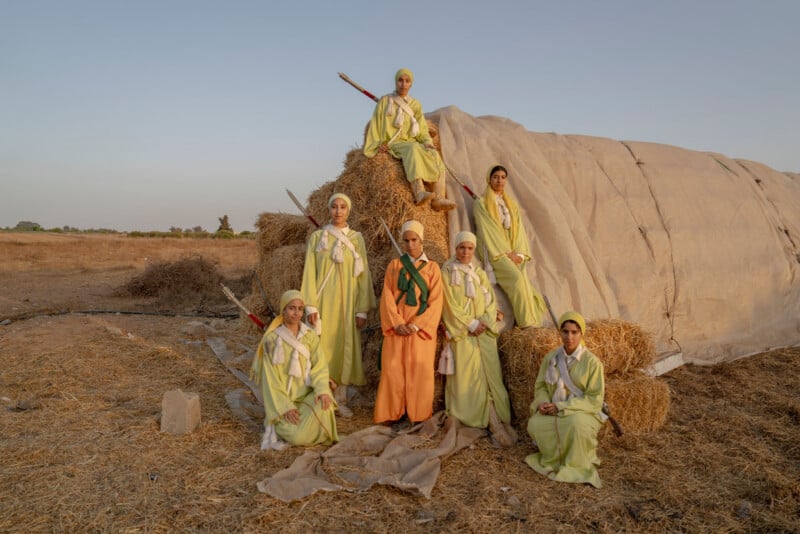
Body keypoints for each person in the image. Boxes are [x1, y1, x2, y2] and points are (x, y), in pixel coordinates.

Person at [301, 193, 376, 417]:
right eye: (334, 206)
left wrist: (361, 308)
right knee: (322, 349)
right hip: (323, 303)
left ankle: (340, 398)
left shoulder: (356, 239)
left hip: (347, 306)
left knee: (343, 348)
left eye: (343, 207)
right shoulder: (317, 237)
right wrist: (310, 306)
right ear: (329, 209)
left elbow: (363, 275)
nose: (338, 211)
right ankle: (322, 397)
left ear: (348, 211)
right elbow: (310, 273)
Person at [440, 231, 515, 444]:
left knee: (491, 376)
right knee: (468, 376)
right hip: (463, 333)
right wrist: (470, 323)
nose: (465, 252)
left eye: (470, 248)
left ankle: (497, 418)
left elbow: (490, 300)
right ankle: (475, 417)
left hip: (483, 333)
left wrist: (483, 321)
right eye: (461, 248)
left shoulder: (479, 273)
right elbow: (449, 304)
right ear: (455, 248)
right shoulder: (447, 271)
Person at [374, 220, 443, 427]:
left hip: (419, 330)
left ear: (421, 240)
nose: (411, 245)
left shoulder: (432, 268)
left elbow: (436, 301)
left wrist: (417, 324)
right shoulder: (394, 266)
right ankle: (389, 414)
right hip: (397, 329)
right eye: (406, 241)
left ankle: (419, 415)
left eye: (414, 240)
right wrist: (396, 323)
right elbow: (387, 296)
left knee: (419, 373)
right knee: (392, 370)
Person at [525, 311, 606, 488]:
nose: (569, 337)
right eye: (565, 331)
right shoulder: (551, 358)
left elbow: (594, 399)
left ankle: (575, 464)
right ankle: (554, 459)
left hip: (581, 411)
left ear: (581, 333)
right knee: (535, 424)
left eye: (574, 332)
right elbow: (541, 386)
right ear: (560, 333)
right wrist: (543, 402)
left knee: (576, 424)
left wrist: (561, 407)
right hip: (554, 406)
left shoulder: (592, 363)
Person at [250, 290, 338, 451]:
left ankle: (311, 427)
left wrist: (322, 390)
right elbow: (270, 380)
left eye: (300, 308)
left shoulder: (310, 337)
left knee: (326, 404)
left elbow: (320, 367)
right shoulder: (271, 340)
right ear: (283, 310)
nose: (296, 312)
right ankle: (284, 427)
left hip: (306, 398)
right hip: (282, 404)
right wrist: (286, 407)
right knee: (297, 436)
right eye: (291, 308)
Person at [363, 68, 455, 212]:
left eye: (407, 81)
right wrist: (379, 144)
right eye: (400, 80)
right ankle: (419, 192)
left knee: (434, 155)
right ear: (395, 82)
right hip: (395, 142)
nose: (403, 84)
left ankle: (438, 197)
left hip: (412, 141)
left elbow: (422, 128)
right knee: (413, 149)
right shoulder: (385, 101)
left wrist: (427, 143)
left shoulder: (415, 104)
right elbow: (376, 124)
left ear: (411, 84)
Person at [473, 164, 546, 328]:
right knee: (518, 279)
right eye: (496, 177)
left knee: (527, 286)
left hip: (513, 249)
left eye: (503, 177)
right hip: (495, 251)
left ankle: (535, 323)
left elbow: (519, 229)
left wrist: (520, 253)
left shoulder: (511, 204)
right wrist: (507, 253)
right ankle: (526, 324)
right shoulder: (482, 203)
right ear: (489, 179)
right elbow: (487, 231)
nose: (499, 181)